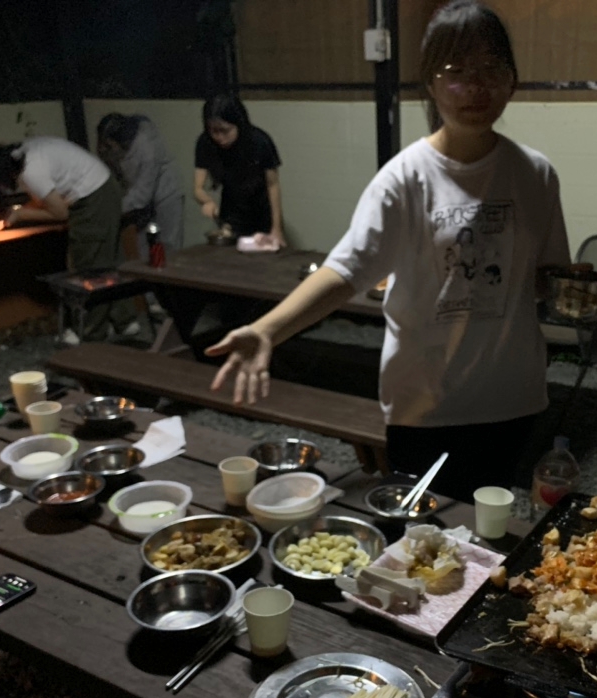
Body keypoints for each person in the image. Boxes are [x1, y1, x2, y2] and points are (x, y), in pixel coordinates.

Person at [204, 0, 570, 500]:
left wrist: (582, 294)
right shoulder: (404, 179)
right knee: (423, 534)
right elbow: (346, 270)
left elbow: (548, 276)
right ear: (431, 83)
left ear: (512, 81)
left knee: (489, 530)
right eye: (456, 71)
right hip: (426, 405)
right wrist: (268, 329)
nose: (475, 86)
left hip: (512, 398)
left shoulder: (536, 174)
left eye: (491, 69)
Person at [0, 137, 130, 342]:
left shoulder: (31, 171)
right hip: (100, 188)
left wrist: (18, 215)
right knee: (106, 261)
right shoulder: (19, 156)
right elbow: (50, 200)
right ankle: (125, 322)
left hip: (93, 197)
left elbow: (60, 213)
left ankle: (91, 334)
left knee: (87, 268)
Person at [194, 95, 286, 248]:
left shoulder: (260, 141)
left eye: (225, 130)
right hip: (230, 216)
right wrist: (207, 201)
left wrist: (276, 229)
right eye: (214, 131)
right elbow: (198, 188)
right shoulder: (206, 143)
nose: (219, 137)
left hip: (262, 214)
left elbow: (273, 185)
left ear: (238, 123)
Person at [96, 113, 185, 259]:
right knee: (143, 250)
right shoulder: (110, 148)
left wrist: (113, 209)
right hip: (138, 200)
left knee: (169, 247)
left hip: (165, 195)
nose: (104, 148)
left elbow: (142, 194)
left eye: (109, 145)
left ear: (122, 140)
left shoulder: (148, 147)